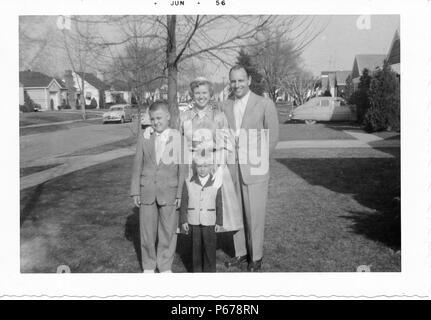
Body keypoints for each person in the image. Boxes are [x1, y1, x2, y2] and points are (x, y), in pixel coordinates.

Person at [222, 65, 279, 272]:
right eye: (233, 81)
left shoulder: (264, 104)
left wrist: (260, 162)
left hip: (255, 169)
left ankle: (256, 257)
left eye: (240, 80)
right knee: (235, 213)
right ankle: (240, 253)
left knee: (254, 214)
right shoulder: (225, 106)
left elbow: (273, 137)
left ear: (249, 80)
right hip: (231, 168)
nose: (237, 84)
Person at [179, 77, 243, 234]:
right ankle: (194, 239)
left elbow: (226, 143)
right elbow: (175, 140)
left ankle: (210, 242)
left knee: (212, 205)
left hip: (214, 164)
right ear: (192, 94)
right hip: (191, 165)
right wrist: (151, 131)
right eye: (197, 93)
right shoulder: (184, 116)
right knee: (193, 203)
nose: (201, 96)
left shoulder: (219, 116)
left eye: (204, 92)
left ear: (210, 94)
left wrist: (220, 167)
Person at [130, 100, 187, 273]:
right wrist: (135, 190)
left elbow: (182, 168)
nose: (156, 122)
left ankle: (164, 265)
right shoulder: (145, 136)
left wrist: (179, 194)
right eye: (153, 119)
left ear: (168, 117)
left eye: (159, 118)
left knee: (168, 231)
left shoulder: (177, 137)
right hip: (147, 189)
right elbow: (137, 165)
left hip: (169, 191)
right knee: (147, 231)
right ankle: (148, 265)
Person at [180, 155, 223, 272]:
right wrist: (183, 220)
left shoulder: (216, 183)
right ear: (195, 167)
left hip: (210, 221)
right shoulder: (189, 182)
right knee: (196, 249)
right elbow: (184, 202)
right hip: (194, 220)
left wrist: (219, 221)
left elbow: (219, 203)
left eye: (205, 166)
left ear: (210, 167)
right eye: (199, 166)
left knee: (210, 248)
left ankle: (210, 272)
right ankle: (197, 272)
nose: (202, 169)